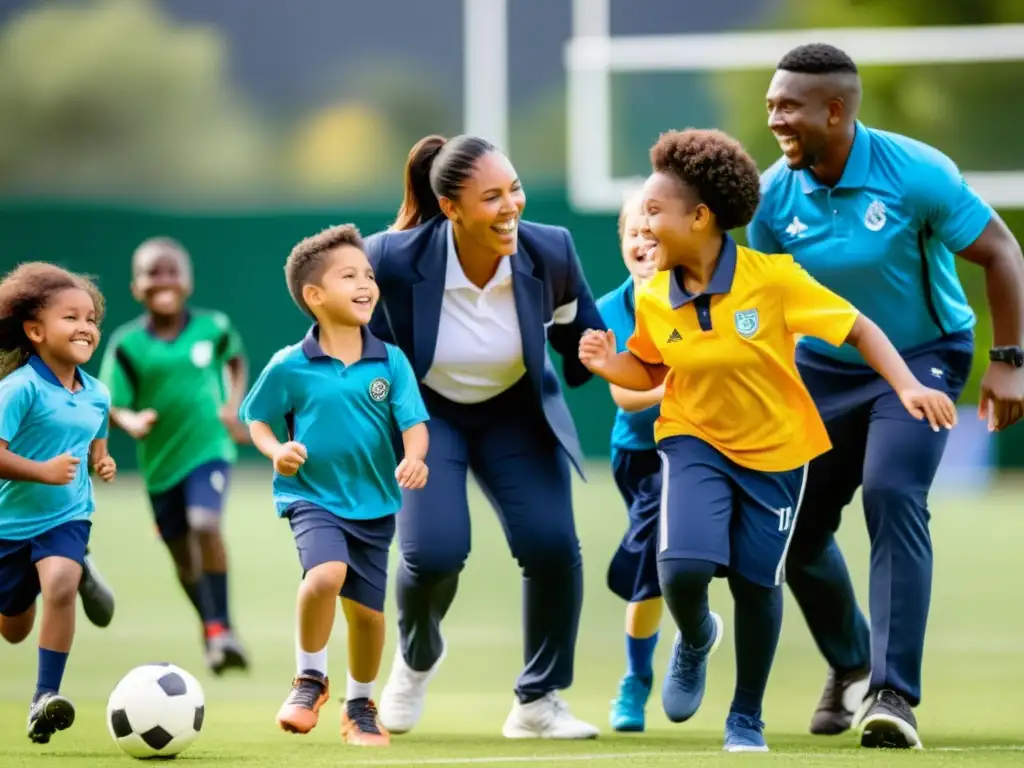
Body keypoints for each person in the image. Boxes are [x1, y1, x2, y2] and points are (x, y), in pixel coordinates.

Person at [578, 128, 958, 752]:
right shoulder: (651, 295)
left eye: (653, 211)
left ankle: (745, 717)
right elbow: (648, 368)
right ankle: (697, 636)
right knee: (682, 568)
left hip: (777, 454)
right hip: (692, 439)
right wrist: (605, 362)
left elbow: (859, 330)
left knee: (758, 583)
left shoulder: (774, 279)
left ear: (699, 218)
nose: (641, 228)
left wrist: (909, 386)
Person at [749, 43, 1024, 749]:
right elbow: (763, 301)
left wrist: (1008, 363)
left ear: (834, 111)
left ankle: (892, 693)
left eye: (788, 106)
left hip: (923, 357)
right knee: (795, 533)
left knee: (892, 493)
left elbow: (1001, 252)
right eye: (771, 102)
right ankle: (850, 662)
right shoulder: (774, 193)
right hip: (821, 369)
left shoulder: (916, 174)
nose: (774, 117)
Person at [368, 134, 603, 739]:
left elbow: (582, 351)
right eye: (492, 197)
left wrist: (609, 352)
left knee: (553, 547)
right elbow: (339, 342)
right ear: (451, 208)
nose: (511, 207)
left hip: (515, 414)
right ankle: (416, 658)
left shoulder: (551, 250)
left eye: (515, 190)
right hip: (430, 418)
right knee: (434, 555)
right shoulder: (391, 258)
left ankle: (538, 701)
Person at [240, 224, 429, 747]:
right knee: (325, 575)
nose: (366, 283)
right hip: (312, 497)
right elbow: (256, 418)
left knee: (368, 616)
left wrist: (415, 457)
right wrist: (277, 450)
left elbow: (414, 424)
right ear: (315, 296)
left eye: (369, 274)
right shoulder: (289, 364)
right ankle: (309, 679)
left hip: (374, 504)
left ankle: (361, 706)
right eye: (350, 276)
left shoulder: (390, 361)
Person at [98, 237, 251, 675]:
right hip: (160, 464)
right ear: (135, 287)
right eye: (152, 272)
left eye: (171, 271)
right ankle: (211, 629)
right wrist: (129, 422)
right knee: (184, 560)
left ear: (187, 281)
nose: (162, 280)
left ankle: (223, 629)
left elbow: (236, 359)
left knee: (206, 524)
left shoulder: (214, 327)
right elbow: (112, 401)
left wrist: (233, 404)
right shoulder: (128, 345)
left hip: (210, 450)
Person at [0, 263, 116, 744]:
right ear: (35, 329)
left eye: (91, 318)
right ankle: (73, 568)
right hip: (9, 523)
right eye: (71, 317)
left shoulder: (98, 394)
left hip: (67, 515)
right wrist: (41, 471)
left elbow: (97, 442)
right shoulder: (18, 388)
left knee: (61, 585)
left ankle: (44, 698)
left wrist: (102, 464)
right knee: (13, 629)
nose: (85, 327)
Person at [598, 192, 664, 733]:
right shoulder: (609, 310)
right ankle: (638, 679)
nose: (643, 242)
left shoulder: (703, 294)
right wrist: (690, 382)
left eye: (653, 231)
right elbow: (627, 396)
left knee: (659, 561)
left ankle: (636, 684)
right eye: (633, 234)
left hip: (699, 446)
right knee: (656, 573)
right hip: (637, 455)